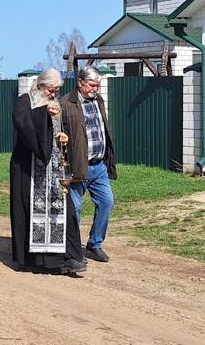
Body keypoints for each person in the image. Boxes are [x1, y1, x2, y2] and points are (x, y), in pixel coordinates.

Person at [10, 68, 86, 274]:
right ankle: (33, 259)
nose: (53, 94)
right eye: (51, 90)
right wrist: (43, 113)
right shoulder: (24, 101)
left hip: (54, 169)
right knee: (29, 210)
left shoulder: (54, 104)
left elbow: (57, 129)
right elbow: (24, 126)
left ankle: (69, 256)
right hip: (29, 167)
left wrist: (63, 136)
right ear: (41, 86)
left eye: (57, 90)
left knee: (63, 209)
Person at [60, 65, 117, 263]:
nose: (95, 89)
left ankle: (95, 244)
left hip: (99, 165)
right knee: (74, 209)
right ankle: (73, 250)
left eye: (98, 85)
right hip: (78, 166)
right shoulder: (66, 103)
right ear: (80, 82)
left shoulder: (98, 101)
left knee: (107, 202)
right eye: (92, 85)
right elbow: (58, 135)